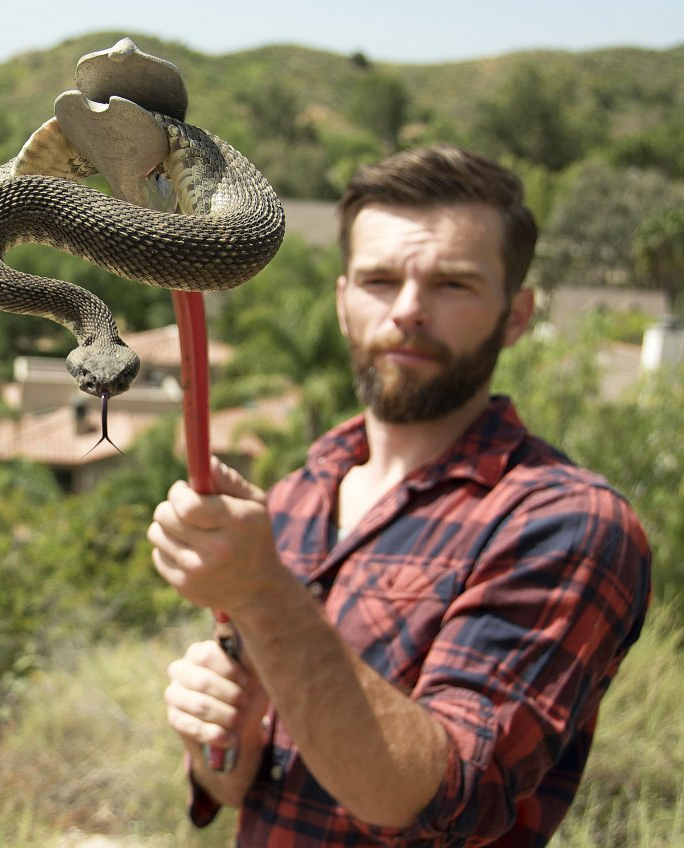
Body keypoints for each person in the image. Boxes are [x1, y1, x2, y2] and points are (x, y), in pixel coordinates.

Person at [147, 144, 652, 846]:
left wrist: (265, 596)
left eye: (453, 284)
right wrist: (215, 735)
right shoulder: (291, 501)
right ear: (343, 300)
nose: (409, 310)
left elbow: (443, 796)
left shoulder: (566, 524)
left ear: (517, 315)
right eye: (380, 279)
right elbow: (234, 788)